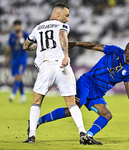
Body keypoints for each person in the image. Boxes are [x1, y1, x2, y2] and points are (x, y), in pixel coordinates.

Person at [27, 40, 129, 145]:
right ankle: (37, 122)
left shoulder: (128, 71)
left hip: (97, 93)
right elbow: (94, 46)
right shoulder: (115, 51)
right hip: (87, 83)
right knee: (73, 109)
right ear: (127, 51)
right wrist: (76, 43)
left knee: (107, 114)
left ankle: (88, 136)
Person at [22, 3, 90, 144]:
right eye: (66, 15)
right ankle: (83, 133)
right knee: (72, 103)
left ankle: (31, 136)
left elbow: (25, 46)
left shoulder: (37, 28)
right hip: (61, 65)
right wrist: (66, 55)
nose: (67, 19)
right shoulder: (62, 26)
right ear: (58, 14)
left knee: (36, 101)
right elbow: (62, 36)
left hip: (46, 67)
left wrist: (37, 46)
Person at [2, 20, 29, 103]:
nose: (18, 27)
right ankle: (23, 96)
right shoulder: (12, 36)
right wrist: (5, 57)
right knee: (18, 78)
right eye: (16, 25)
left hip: (22, 59)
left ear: (21, 26)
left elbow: (28, 46)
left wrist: (21, 39)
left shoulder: (25, 35)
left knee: (19, 76)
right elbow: (8, 47)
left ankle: (12, 95)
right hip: (14, 59)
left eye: (19, 25)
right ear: (14, 26)